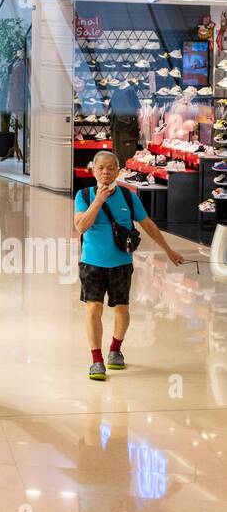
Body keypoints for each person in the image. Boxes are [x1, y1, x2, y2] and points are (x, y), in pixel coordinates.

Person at [74, 150, 185, 381]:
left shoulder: (128, 197)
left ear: (118, 171)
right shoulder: (84, 195)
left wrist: (168, 249)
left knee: (122, 309)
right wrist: (99, 200)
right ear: (93, 170)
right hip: (91, 263)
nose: (105, 172)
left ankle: (115, 350)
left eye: (110, 168)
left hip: (121, 263)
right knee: (94, 309)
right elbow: (81, 227)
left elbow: (148, 224)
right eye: (101, 168)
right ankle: (96, 360)